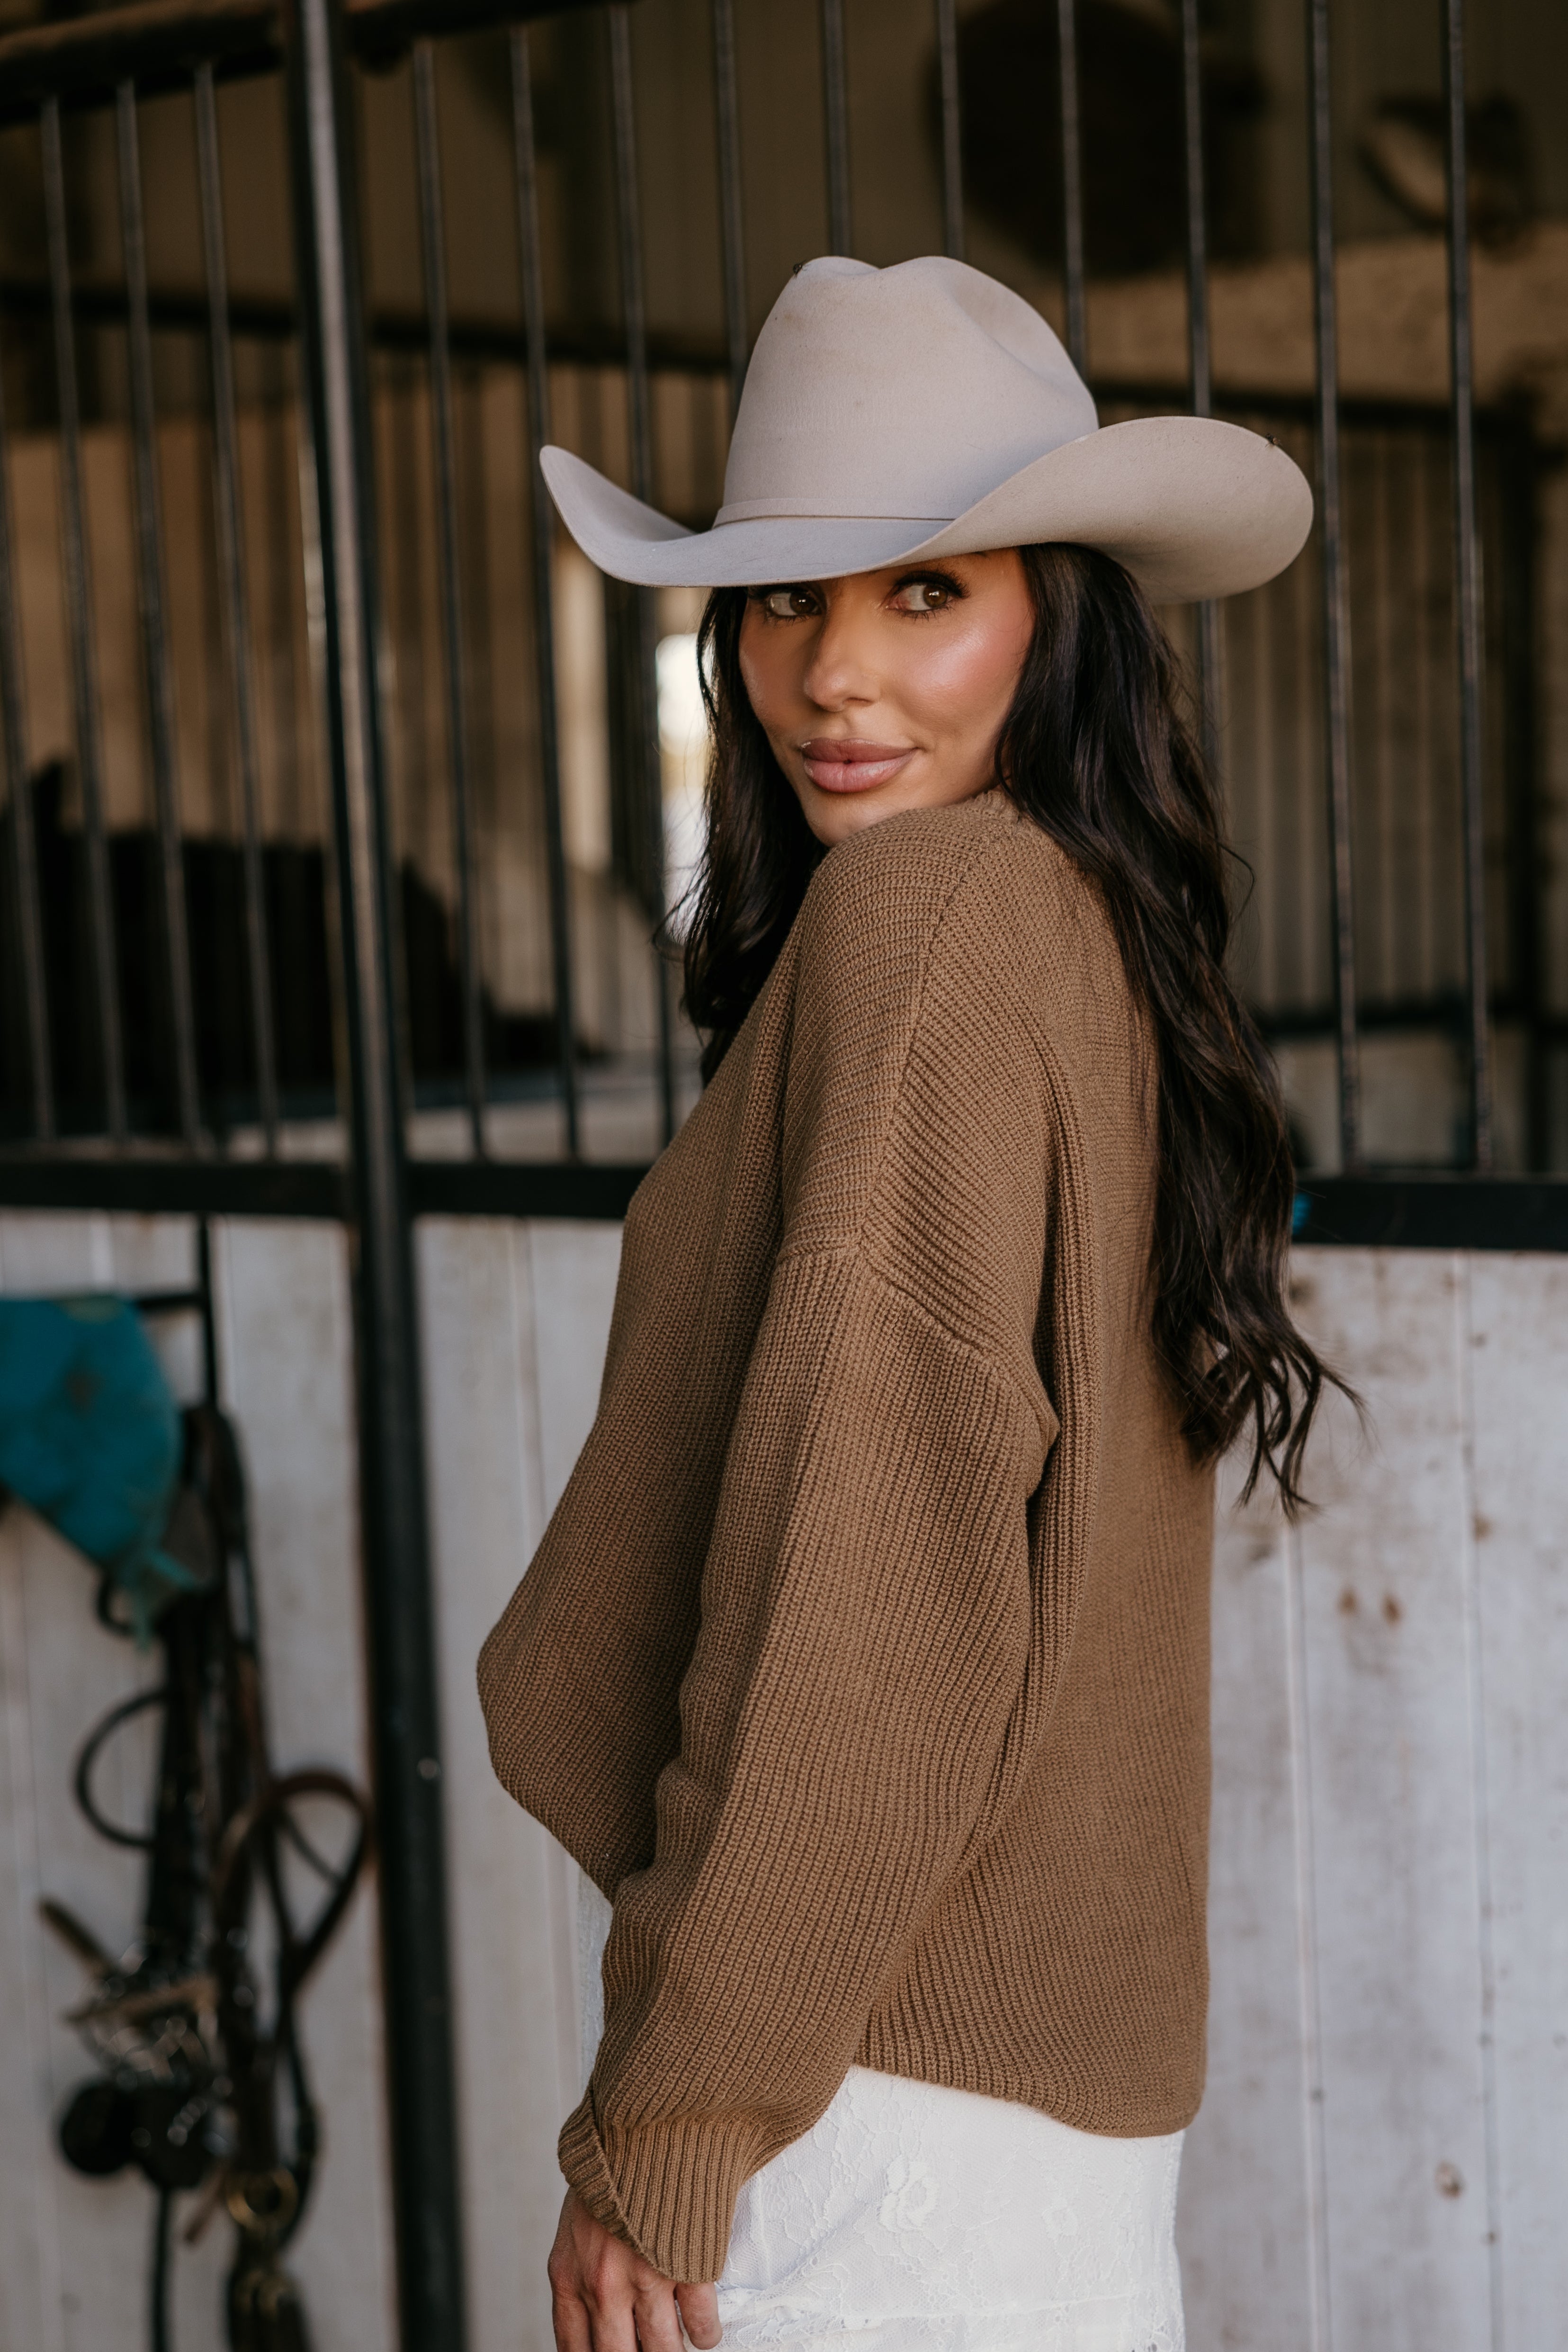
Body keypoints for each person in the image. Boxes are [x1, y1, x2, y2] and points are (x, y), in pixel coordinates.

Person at [479, 255, 1334, 2352]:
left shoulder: (933, 927)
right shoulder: (1079, 929)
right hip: (1046, 2140)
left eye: (927, 593)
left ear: (1063, 616)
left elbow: (865, 1589)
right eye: (787, 600)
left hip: (868, 2127)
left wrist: (672, 2118)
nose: (833, 677)